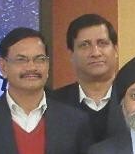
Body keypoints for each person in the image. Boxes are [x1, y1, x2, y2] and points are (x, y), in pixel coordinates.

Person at [52, 14, 124, 143]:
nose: (95, 53)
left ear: (116, 50)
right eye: (85, 45)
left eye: (102, 43)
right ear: (71, 55)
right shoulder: (53, 105)